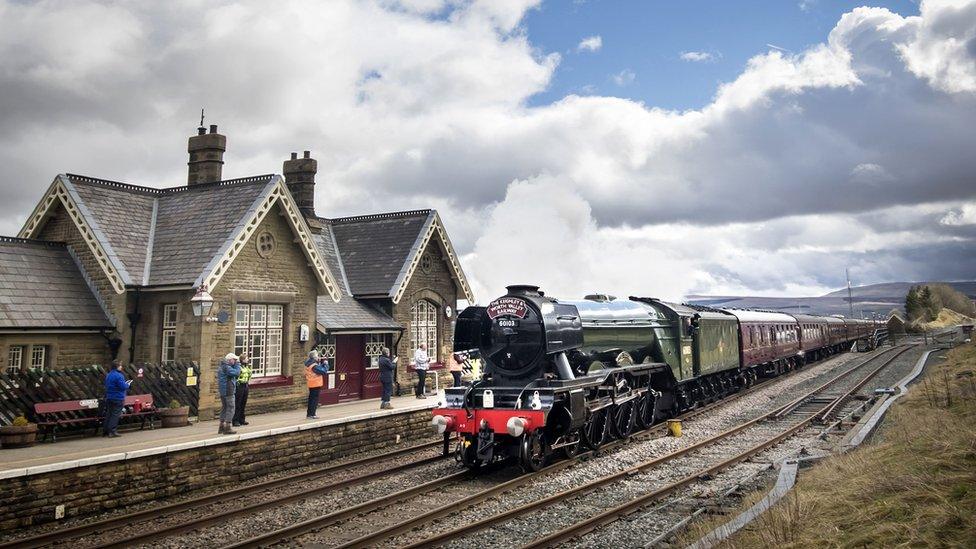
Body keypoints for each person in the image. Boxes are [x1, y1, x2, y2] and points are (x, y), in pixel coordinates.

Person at [103, 359, 131, 437]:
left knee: (109, 414)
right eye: (120, 365)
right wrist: (127, 385)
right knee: (115, 415)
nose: (121, 367)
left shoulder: (109, 375)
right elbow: (122, 387)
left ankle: (105, 431)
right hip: (118, 397)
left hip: (109, 397)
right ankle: (112, 431)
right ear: (117, 366)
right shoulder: (119, 375)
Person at [217, 353, 241, 434]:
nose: (235, 361)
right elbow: (237, 373)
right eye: (234, 360)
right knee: (231, 408)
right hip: (228, 390)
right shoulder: (227, 368)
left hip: (223, 391)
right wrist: (237, 365)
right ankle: (228, 427)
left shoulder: (222, 366)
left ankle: (221, 426)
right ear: (230, 360)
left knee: (224, 407)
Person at [305, 350, 329, 419]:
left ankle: (309, 414)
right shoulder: (314, 365)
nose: (318, 357)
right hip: (315, 384)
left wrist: (322, 364)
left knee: (311, 399)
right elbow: (323, 371)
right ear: (314, 357)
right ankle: (312, 414)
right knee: (314, 400)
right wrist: (326, 364)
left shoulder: (309, 364)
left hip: (311, 383)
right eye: (317, 356)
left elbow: (317, 369)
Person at [232, 352, 252, 427]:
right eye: (246, 358)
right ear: (242, 359)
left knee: (243, 403)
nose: (248, 359)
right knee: (238, 403)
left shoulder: (246, 367)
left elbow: (249, 375)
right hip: (239, 385)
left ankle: (242, 419)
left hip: (245, 385)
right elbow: (236, 376)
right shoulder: (238, 367)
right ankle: (235, 420)